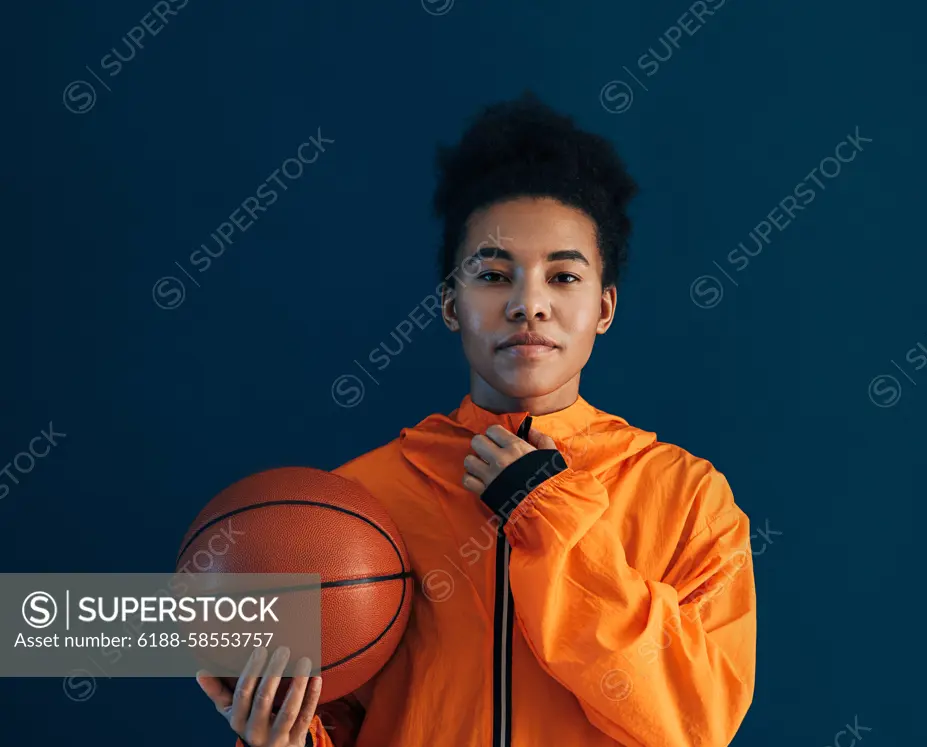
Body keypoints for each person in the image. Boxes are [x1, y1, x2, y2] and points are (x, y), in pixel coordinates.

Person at [196, 91, 756, 747]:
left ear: (605, 307)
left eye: (563, 277)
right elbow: (336, 722)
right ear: (449, 305)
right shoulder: (358, 501)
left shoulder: (689, 497)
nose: (528, 304)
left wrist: (551, 519)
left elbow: (698, 723)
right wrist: (282, 738)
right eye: (492, 274)